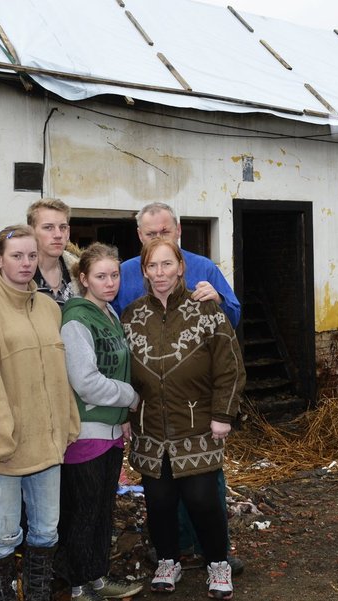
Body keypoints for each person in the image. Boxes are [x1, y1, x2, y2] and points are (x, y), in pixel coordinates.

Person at [112, 202, 243, 575]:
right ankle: (173, 549)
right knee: (161, 492)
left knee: (204, 490)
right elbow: (117, 332)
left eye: (164, 232)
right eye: (150, 234)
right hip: (152, 413)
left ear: (179, 230)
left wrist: (217, 301)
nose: (157, 241)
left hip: (195, 409)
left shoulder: (203, 268)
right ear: (139, 237)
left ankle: (213, 552)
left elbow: (231, 321)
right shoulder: (124, 275)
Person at [0, 225, 80, 601]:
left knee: (47, 529)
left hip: (46, 443)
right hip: (5, 448)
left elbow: (60, 375)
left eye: (31, 256)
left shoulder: (49, 308)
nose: (26, 263)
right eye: (16, 256)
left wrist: (68, 423)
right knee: (4, 532)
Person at [58, 243, 144, 601]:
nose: (110, 283)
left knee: (103, 510)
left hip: (110, 431)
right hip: (86, 431)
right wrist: (130, 397)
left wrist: (123, 417)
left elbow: (117, 367)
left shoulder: (109, 313)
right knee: (83, 513)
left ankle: (97, 576)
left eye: (114, 275)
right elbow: (85, 381)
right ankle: (78, 587)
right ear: (83, 279)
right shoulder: (77, 318)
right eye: (100, 276)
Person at [0, 198, 79, 305]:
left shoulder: (80, 271)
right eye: (48, 227)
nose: (58, 235)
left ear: (68, 232)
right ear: (31, 230)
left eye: (63, 227)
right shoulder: (7, 269)